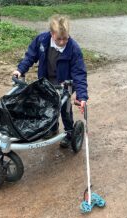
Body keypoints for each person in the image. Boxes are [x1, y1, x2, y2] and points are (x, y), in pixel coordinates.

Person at [12, 14, 88, 148]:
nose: (62, 42)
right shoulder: (42, 40)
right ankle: (52, 128)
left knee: (64, 108)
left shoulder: (73, 48)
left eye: (65, 38)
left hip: (65, 84)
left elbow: (79, 73)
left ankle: (69, 132)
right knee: (47, 105)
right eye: (59, 39)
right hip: (46, 80)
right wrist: (20, 70)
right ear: (52, 34)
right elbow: (30, 56)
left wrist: (81, 96)